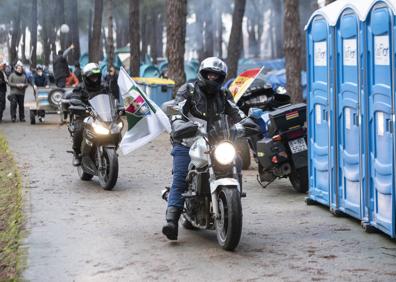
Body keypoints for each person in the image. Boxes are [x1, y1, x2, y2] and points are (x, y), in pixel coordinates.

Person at [162, 57, 248, 241]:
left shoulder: (224, 96)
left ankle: (233, 201)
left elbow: (236, 112)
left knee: (237, 160)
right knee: (180, 177)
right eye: (209, 74)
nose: (212, 78)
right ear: (201, 74)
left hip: (216, 141)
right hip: (187, 141)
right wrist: (177, 124)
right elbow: (176, 109)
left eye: (217, 76)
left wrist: (247, 123)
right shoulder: (188, 90)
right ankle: (171, 220)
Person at [68, 62, 108, 166]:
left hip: (101, 116)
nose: (94, 79)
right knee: (79, 129)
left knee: (116, 125)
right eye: (92, 77)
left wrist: (118, 107)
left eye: (96, 76)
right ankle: (77, 153)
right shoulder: (80, 87)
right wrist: (78, 104)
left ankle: (111, 146)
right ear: (86, 77)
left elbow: (111, 99)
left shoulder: (103, 86)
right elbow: (74, 98)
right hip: (84, 115)